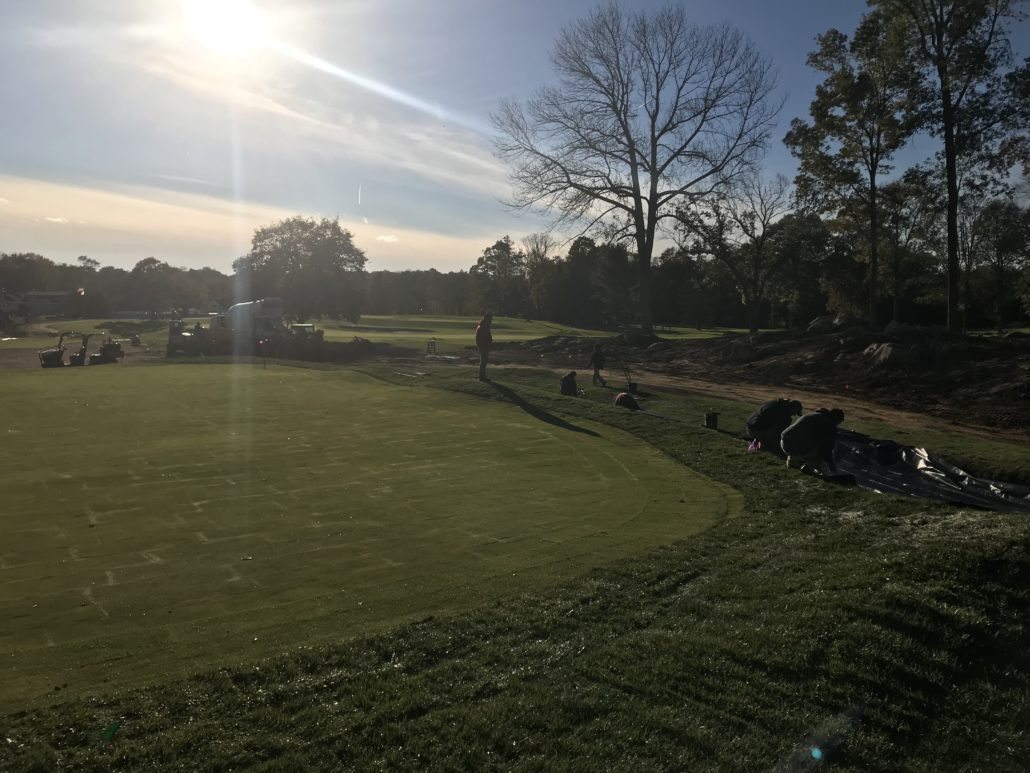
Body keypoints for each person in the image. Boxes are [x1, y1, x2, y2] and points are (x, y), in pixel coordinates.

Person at [780, 408, 845, 473]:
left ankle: (792, 463)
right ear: (836, 418)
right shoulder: (828, 424)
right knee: (820, 453)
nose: (838, 424)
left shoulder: (816, 415)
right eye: (839, 421)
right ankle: (808, 468)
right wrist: (831, 464)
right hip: (794, 447)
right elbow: (827, 449)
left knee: (802, 441)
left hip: (784, 442)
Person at [475, 312, 493, 381]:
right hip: (484, 347)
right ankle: (482, 377)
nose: (491, 320)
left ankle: (482, 376)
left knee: (483, 362)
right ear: (487, 319)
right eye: (490, 319)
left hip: (484, 346)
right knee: (483, 362)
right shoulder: (484, 326)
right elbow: (480, 338)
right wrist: (482, 346)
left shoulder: (484, 325)